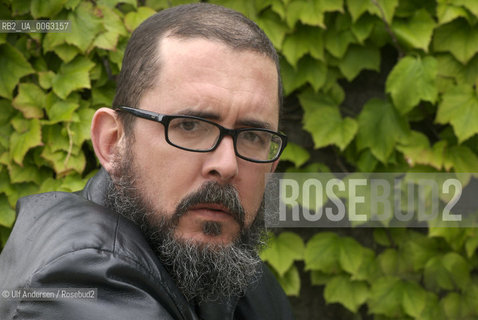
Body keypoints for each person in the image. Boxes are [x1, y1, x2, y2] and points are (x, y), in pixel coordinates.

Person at [0, 3, 293, 319]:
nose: (227, 165)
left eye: (253, 136)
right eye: (190, 126)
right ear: (113, 142)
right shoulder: (76, 276)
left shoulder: (228, 267)